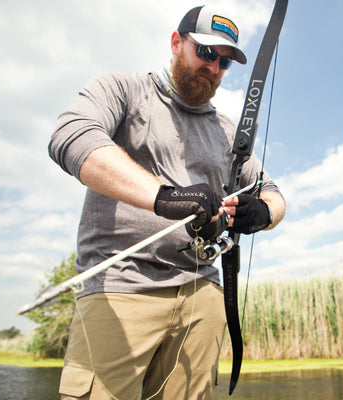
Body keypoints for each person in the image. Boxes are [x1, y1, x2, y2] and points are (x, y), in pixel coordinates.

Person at [48, 5, 285, 400]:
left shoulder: (228, 132)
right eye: (206, 53)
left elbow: (273, 192)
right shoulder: (122, 89)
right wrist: (165, 197)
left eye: (224, 62)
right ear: (177, 43)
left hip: (201, 296)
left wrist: (262, 213)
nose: (213, 68)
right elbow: (71, 137)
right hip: (121, 286)